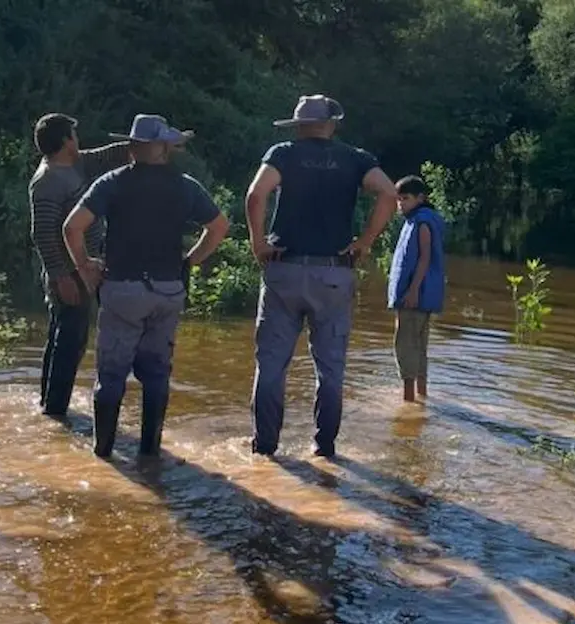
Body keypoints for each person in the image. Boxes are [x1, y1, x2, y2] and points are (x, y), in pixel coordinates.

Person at [62, 114, 229, 458]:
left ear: (132, 147)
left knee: (111, 375)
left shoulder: (113, 182)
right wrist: (189, 262)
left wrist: (85, 266)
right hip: (168, 290)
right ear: (165, 148)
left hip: (122, 289)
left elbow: (72, 227)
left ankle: (103, 453)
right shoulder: (186, 185)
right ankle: (151, 454)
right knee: (156, 375)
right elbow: (218, 227)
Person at [245, 94, 397, 458]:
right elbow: (389, 193)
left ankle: (265, 448)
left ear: (298, 125)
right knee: (330, 369)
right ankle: (324, 448)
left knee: (271, 364)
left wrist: (257, 242)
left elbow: (255, 194)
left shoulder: (282, 153)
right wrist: (365, 241)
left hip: (284, 267)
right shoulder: (356, 158)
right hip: (333, 272)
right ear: (333, 124)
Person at [28, 113, 128, 417]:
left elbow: (109, 155)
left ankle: (50, 405)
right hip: (69, 272)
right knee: (70, 340)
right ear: (65, 141)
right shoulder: (47, 180)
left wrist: (152, 143)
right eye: (74, 134)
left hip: (78, 267)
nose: (78, 139)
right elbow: (42, 233)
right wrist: (62, 276)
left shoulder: (74, 164)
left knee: (64, 336)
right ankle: (55, 411)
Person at [387, 175, 446, 402]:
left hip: (415, 296)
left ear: (420, 198)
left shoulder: (421, 223)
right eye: (398, 199)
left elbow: (424, 258)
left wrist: (412, 290)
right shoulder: (423, 219)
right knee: (419, 346)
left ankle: (408, 399)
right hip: (424, 295)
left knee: (405, 345)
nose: (401, 203)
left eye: (406, 198)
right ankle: (421, 395)